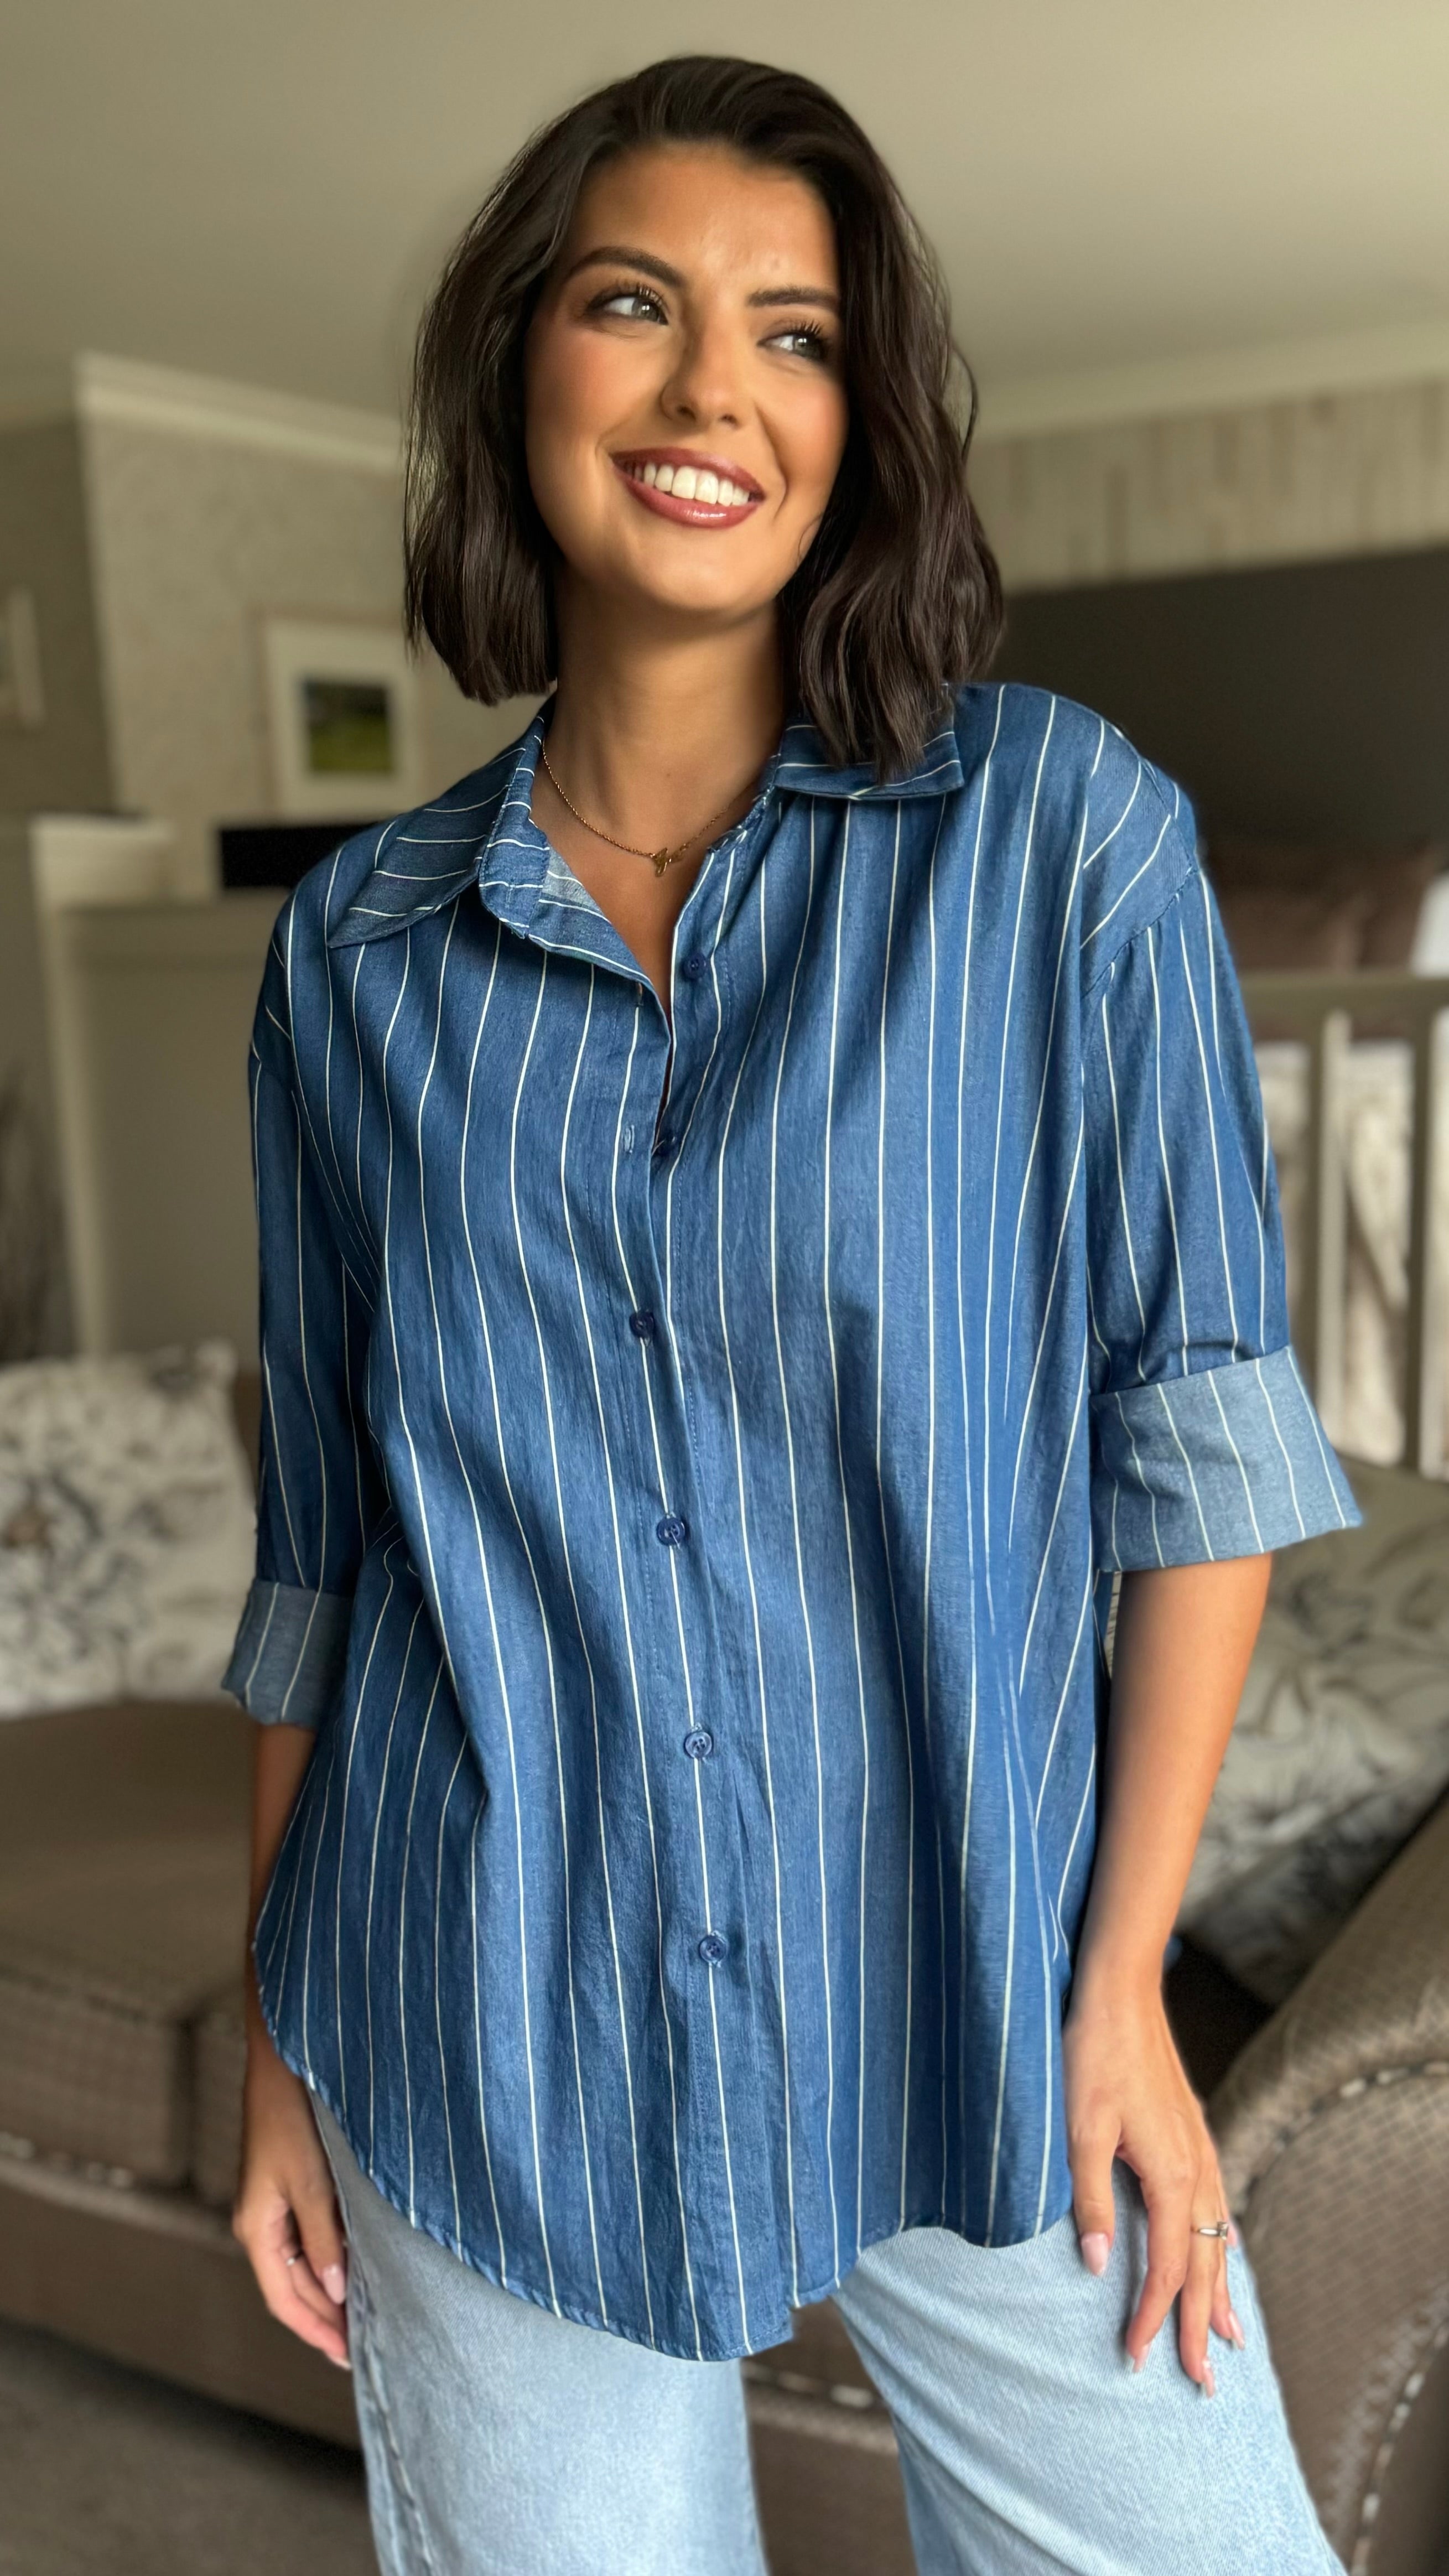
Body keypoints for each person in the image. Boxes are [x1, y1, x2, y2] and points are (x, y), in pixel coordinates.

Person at [226, 54, 1356, 2575]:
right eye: (634, 305)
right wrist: (289, 2040)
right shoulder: (354, 958)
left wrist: (1123, 1984)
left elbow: (1194, 1445)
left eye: (798, 333)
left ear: (860, 423)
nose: (713, 389)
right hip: (472, 2004)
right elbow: (325, 1561)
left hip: (971, 1986)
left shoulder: (1058, 836)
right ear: (522, 363)